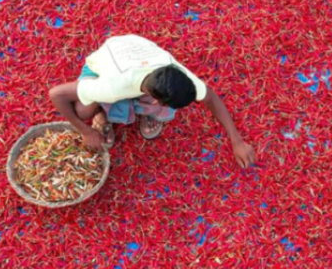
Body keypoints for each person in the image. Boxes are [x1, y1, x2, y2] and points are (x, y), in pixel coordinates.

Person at [50, 34, 256, 169]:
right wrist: (85, 131)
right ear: (157, 100)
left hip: (135, 50)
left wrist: (236, 140)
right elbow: (56, 94)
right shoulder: (112, 86)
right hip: (104, 64)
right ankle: (101, 115)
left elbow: (209, 96)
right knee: (83, 110)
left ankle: (140, 111)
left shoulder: (174, 73)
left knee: (159, 107)